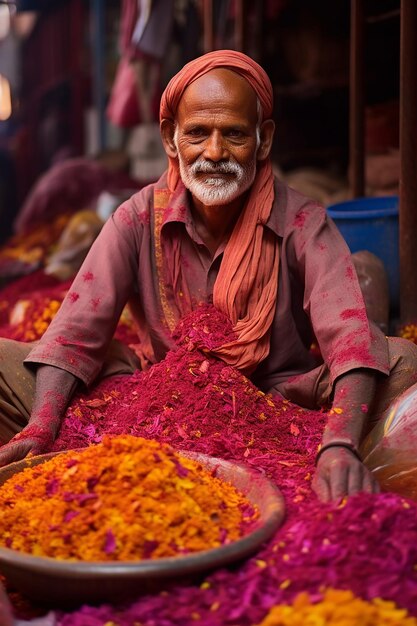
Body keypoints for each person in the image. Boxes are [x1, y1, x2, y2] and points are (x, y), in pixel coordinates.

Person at [0, 50, 416, 503]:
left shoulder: (302, 219)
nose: (215, 152)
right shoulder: (137, 217)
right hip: (153, 393)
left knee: (401, 361)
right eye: (197, 133)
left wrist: (338, 443)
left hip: (278, 400)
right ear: (170, 138)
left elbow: (350, 336)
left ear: (263, 140)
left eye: (234, 134)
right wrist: (42, 424)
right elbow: (75, 333)